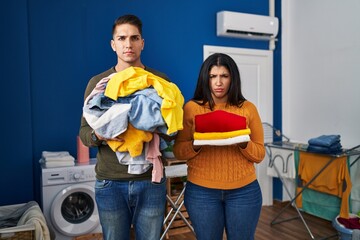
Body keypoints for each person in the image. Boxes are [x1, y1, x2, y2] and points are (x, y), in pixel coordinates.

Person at [79, 14, 178, 240]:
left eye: (134, 38)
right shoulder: (99, 83)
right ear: (113, 44)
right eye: (122, 38)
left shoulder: (160, 81)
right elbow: (84, 133)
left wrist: (155, 126)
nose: (128, 44)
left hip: (150, 182)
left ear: (142, 43)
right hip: (110, 183)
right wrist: (103, 132)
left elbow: (174, 130)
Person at [173, 53, 265, 240]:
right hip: (201, 192)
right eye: (213, 76)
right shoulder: (191, 108)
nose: (218, 82)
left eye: (224, 76)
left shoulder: (248, 108)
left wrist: (243, 142)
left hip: (244, 191)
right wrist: (197, 145)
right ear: (205, 78)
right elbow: (178, 151)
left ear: (233, 78)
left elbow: (260, 154)